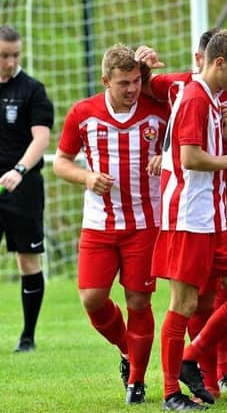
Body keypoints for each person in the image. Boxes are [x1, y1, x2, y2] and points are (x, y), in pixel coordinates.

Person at [137, 28, 227, 403]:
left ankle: (189, 358)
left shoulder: (212, 97)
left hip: (218, 215)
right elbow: (189, 157)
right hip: (191, 217)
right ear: (219, 62)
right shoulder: (194, 97)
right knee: (185, 304)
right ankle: (169, 393)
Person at [53, 44, 167, 405]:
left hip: (145, 223)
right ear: (106, 81)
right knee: (92, 298)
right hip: (99, 224)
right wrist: (86, 178)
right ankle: (128, 350)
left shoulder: (157, 111)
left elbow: (185, 140)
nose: (132, 89)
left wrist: (164, 157)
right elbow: (61, 162)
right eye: (123, 83)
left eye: (136, 81)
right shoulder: (83, 113)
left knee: (138, 300)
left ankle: (136, 382)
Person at [0, 25, 53, 353]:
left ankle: (28, 338)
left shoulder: (32, 89)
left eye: (15, 55)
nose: (10, 61)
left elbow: (41, 137)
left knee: (28, 260)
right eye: (4, 55)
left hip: (23, 186)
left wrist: (19, 169)